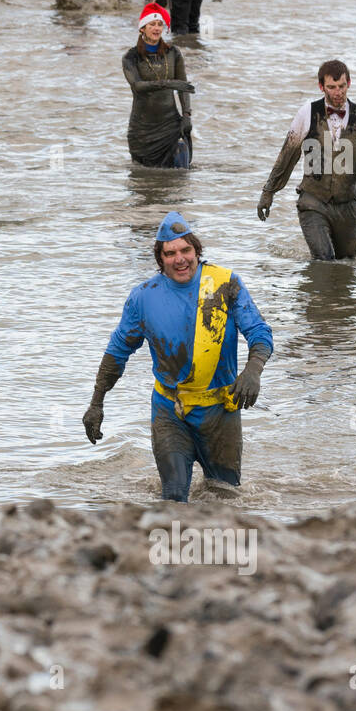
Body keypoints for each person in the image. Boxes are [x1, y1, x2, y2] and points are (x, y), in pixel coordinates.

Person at [82, 212, 273, 503]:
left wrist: (253, 371)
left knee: (224, 498)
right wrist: (96, 403)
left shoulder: (225, 284)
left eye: (185, 250)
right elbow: (117, 352)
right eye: (170, 253)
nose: (179, 259)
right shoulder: (143, 297)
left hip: (220, 411)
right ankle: (172, 547)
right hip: (170, 410)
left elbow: (259, 331)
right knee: (172, 498)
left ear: (197, 250)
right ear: (160, 259)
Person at [258, 60, 356, 261]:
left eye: (341, 86)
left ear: (348, 83)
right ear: (321, 86)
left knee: (348, 264)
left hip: (348, 204)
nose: (338, 92)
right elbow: (288, 154)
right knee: (324, 259)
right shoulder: (307, 112)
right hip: (313, 201)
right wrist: (268, 191)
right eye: (332, 87)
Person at [122, 3, 193, 168]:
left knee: (181, 174)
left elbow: (183, 87)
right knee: (143, 180)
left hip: (171, 125)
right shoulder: (131, 57)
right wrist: (167, 83)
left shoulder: (173, 53)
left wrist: (187, 115)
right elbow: (137, 86)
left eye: (160, 24)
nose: (156, 28)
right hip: (142, 130)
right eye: (152, 24)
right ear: (142, 28)